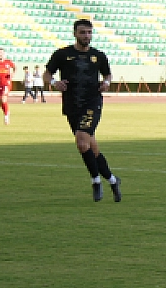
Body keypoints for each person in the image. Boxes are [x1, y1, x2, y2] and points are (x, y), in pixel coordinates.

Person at [44, 18, 120, 201]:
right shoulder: (62, 54)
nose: (87, 36)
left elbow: (107, 73)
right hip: (72, 105)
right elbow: (47, 74)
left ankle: (95, 181)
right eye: (83, 32)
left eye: (89, 32)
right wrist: (55, 82)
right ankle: (112, 180)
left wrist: (107, 83)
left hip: (92, 103)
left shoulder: (99, 56)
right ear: (75, 34)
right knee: (91, 148)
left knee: (81, 142)